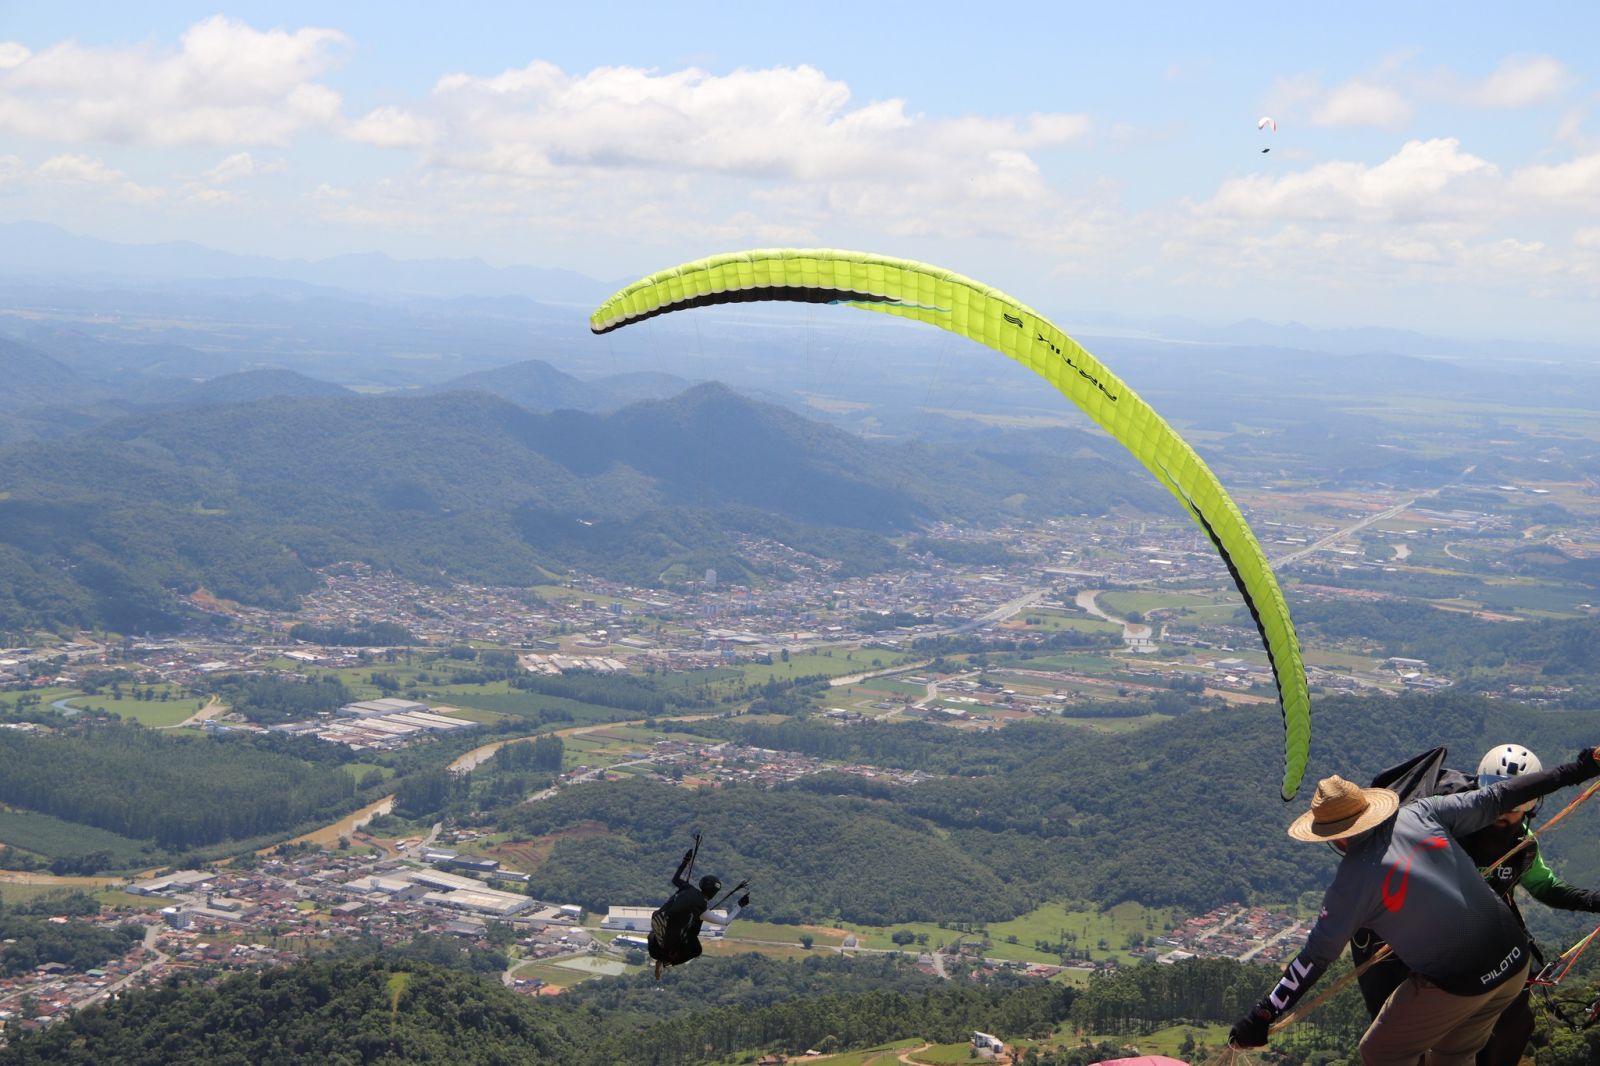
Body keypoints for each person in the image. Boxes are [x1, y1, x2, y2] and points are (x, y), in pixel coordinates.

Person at [1229, 746, 1600, 1065]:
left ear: (1335, 839)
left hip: (1464, 983)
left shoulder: (1351, 884)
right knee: (1452, 1055)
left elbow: (1312, 959)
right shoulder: (1421, 813)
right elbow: (1502, 796)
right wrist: (1583, 766)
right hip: (1515, 966)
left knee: (1379, 1052)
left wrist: (1263, 1013)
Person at [648, 845, 749, 979]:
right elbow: (725, 921)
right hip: (667, 945)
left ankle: (665, 956)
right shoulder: (701, 909)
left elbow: (675, 879)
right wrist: (739, 906)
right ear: (713, 894)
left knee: (689, 923)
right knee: (697, 949)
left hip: (655, 931)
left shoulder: (687, 888)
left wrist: (686, 861)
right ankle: (666, 962)